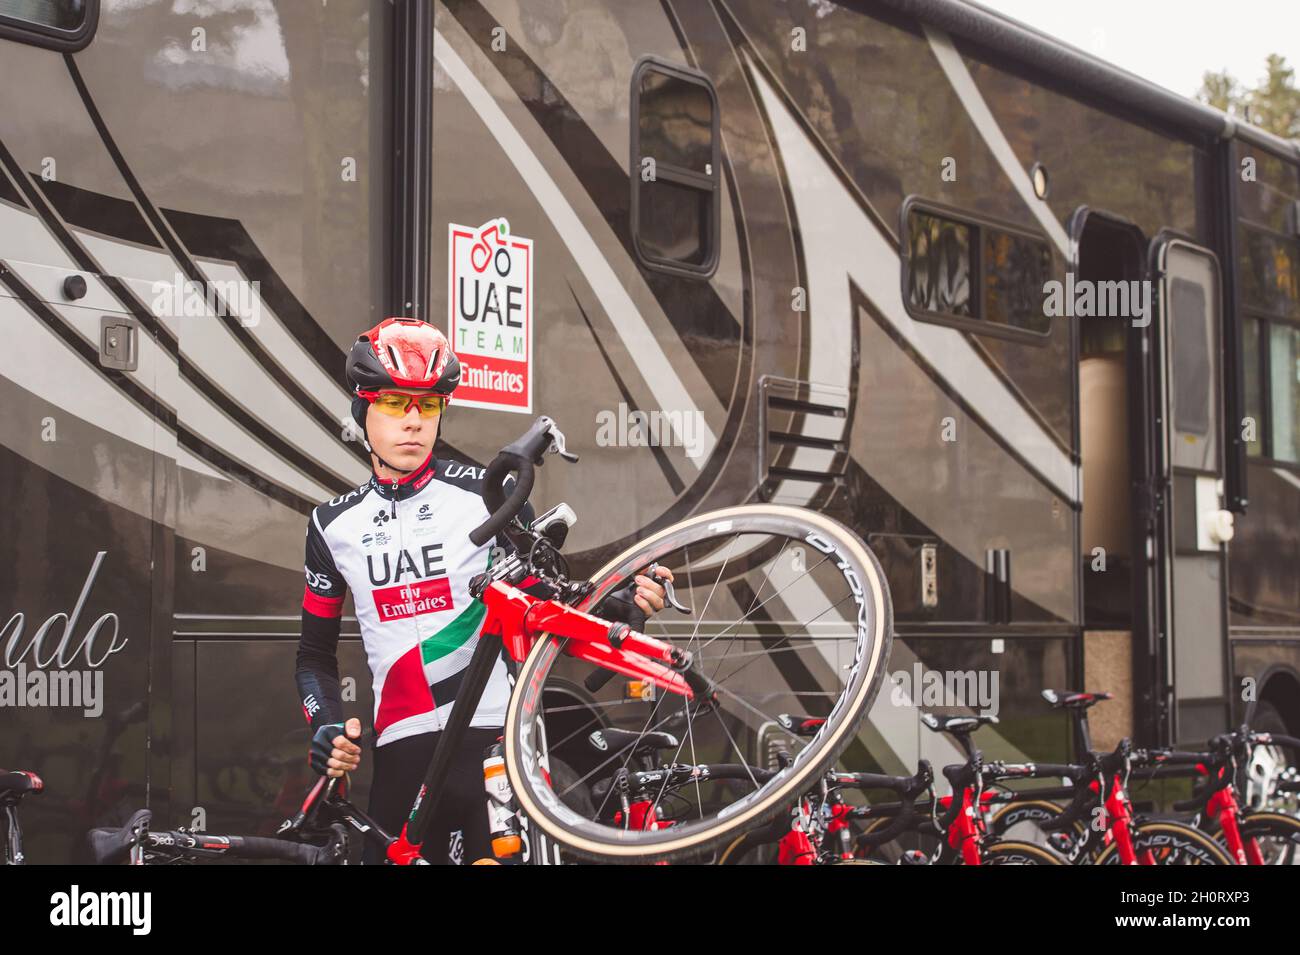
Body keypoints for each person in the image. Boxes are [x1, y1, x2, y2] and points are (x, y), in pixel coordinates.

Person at [294, 317, 673, 864]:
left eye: (427, 406)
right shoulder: (332, 525)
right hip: (403, 753)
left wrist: (621, 604)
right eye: (396, 404)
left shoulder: (488, 494)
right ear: (364, 411)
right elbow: (312, 656)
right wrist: (326, 723)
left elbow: (551, 601)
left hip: (499, 743)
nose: (414, 422)